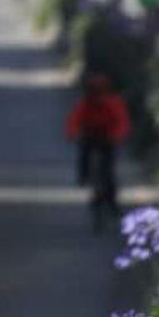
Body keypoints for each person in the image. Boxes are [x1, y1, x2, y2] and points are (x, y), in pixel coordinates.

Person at [64, 74, 131, 215]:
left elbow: (122, 122)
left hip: (108, 136)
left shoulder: (114, 103)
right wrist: (73, 133)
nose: (97, 96)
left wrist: (116, 136)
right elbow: (74, 120)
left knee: (108, 170)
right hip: (90, 134)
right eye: (94, 91)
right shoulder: (85, 103)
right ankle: (84, 175)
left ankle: (112, 202)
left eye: (100, 91)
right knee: (84, 153)